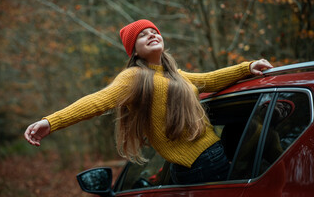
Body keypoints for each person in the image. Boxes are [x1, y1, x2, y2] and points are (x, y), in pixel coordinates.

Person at [24, 19, 273, 185]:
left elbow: (209, 80)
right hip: (200, 164)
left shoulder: (173, 74)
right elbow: (96, 102)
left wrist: (248, 67)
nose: (152, 35)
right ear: (134, 51)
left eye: (154, 31)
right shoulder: (134, 77)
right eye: (143, 36)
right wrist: (50, 122)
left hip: (208, 157)